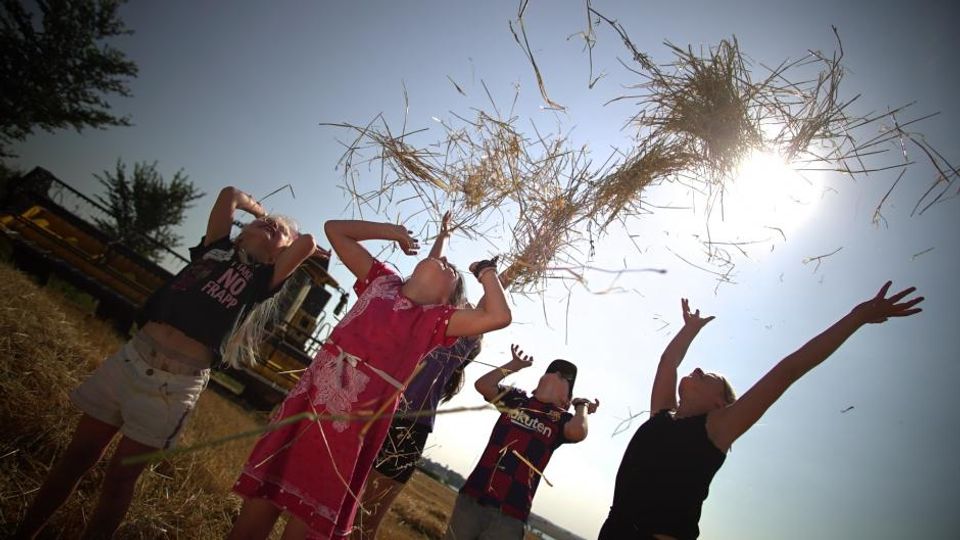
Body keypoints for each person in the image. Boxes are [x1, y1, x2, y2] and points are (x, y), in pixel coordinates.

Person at [16, 186, 318, 539]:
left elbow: (308, 242)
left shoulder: (262, 281)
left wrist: (285, 233)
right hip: (132, 358)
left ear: (277, 257)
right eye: (263, 221)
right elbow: (229, 195)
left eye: (278, 230)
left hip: (173, 387)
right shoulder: (215, 248)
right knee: (77, 457)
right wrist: (256, 209)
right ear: (241, 230)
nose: (269, 225)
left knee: (119, 478)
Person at [228, 217, 512, 540]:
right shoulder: (381, 280)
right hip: (307, 407)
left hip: (347, 432)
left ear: (447, 303)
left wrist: (486, 271)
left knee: (307, 519)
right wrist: (393, 233)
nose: (444, 261)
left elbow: (498, 316)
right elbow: (334, 229)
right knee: (261, 501)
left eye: (450, 271)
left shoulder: (433, 321)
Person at [599, 283, 924, 539]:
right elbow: (668, 362)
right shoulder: (660, 415)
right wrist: (691, 329)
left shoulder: (716, 428)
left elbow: (788, 371)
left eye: (710, 376)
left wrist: (857, 317)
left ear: (720, 403)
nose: (697, 368)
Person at [351, 211, 492, 539]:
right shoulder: (421, 312)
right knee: (334, 495)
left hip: (409, 426)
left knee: (365, 520)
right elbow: (429, 270)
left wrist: (506, 268)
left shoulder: (461, 337)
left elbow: (488, 307)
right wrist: (444, 236)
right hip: (375, 406)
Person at [444, 344, 600, 539]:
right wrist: (513, 365)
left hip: (511, 513)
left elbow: (578, 431)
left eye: (563, 378)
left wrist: (582, 406)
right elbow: (483, 385)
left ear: (565, 401)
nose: (557, 374)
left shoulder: (561, 420)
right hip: (474, 495)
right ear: (536, 385)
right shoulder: (516, 400)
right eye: (552, 371)